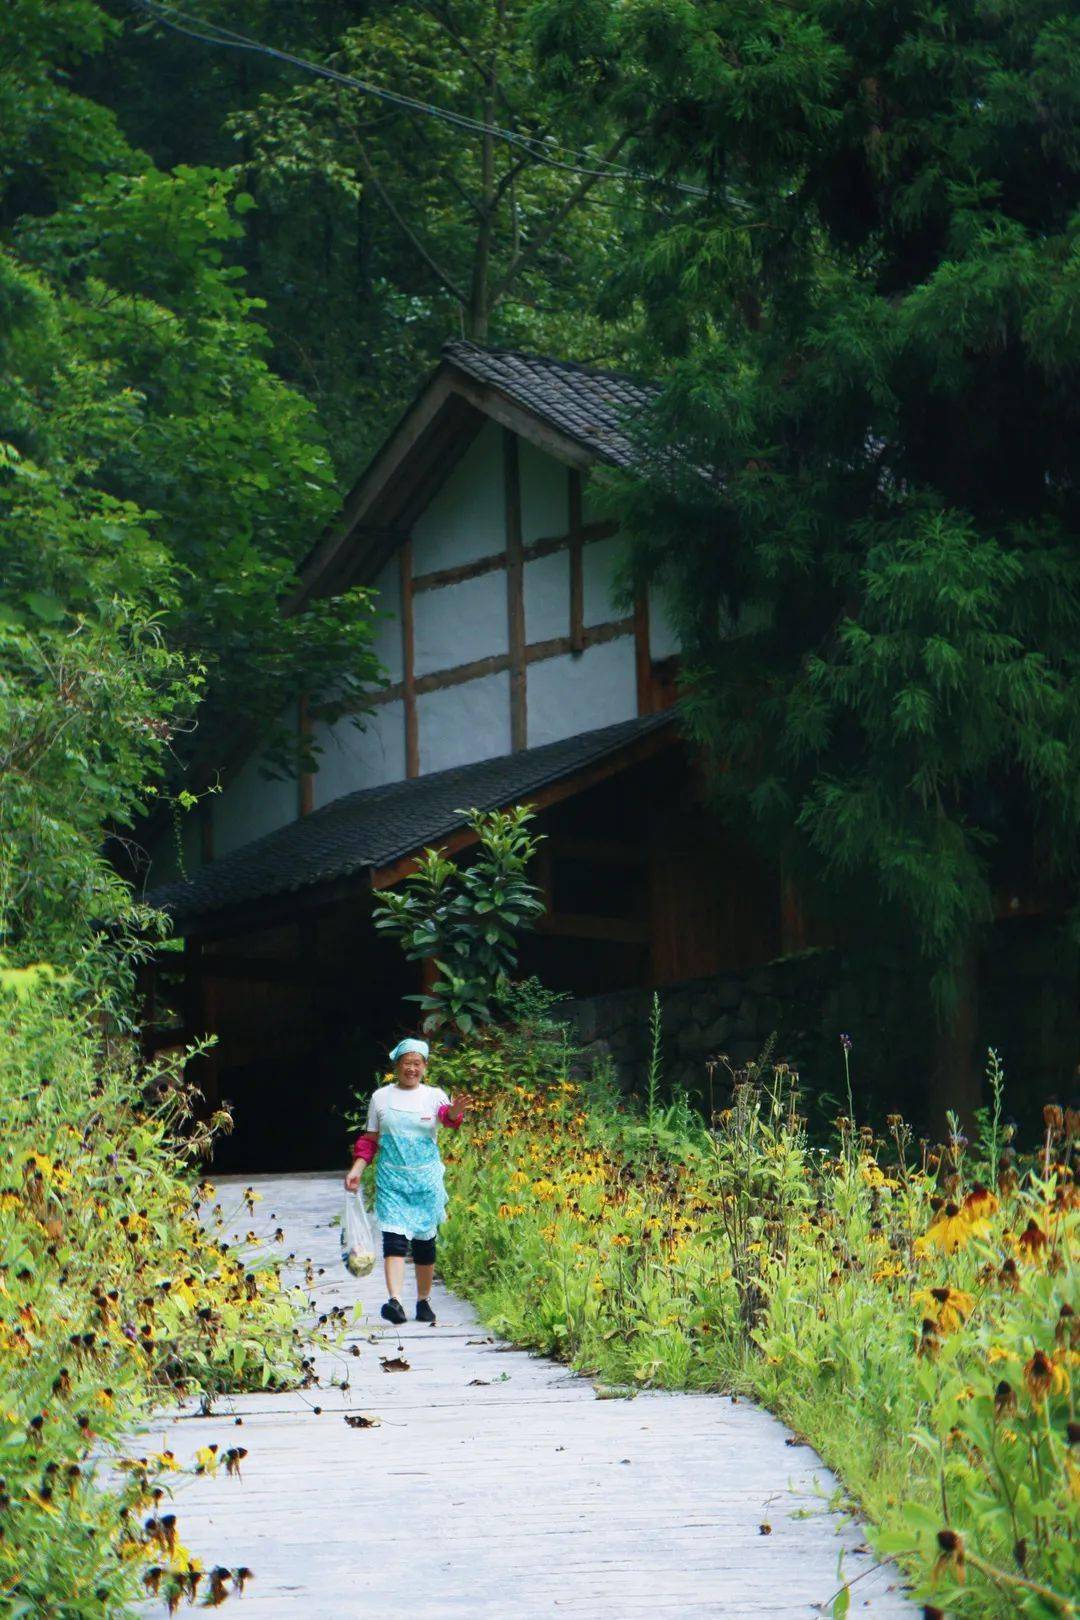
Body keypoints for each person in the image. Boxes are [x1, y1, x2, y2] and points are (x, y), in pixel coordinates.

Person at [344, 1038, 468, 1325]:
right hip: (392, 1180)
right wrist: (357, 1169)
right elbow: (370, 1140)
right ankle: (395, 1301)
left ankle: (424, 1301)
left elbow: (447, 1119)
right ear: (396, 1065)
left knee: (425, 1243)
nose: (411, 1069)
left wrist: (455, 1111)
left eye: (417, 1063)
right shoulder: (381, 1098)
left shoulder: (434, 1095)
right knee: (394, 1240)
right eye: (406, 1063)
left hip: (426, 1181)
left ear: (424, 1067)